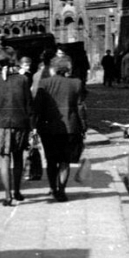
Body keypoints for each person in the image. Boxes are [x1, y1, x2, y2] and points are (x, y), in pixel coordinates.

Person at [0, 48, 34, 206]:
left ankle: (7, 195)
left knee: (4, 159)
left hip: (0, 124)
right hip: (20, 123)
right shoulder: (23, 80)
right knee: (18, 158)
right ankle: (17, 190)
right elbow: (29, 105)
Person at [35, 55, 87, 201]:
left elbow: (38, 107)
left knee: (51, 160)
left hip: (48, 128)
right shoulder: (76, 83)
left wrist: (35, 126)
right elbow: (80, 107)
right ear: (67, 69)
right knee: (65, 161)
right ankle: (62, 189)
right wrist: (84, 126)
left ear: (53, 69)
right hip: (70, 127)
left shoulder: (44, 83)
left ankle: (52, 188)